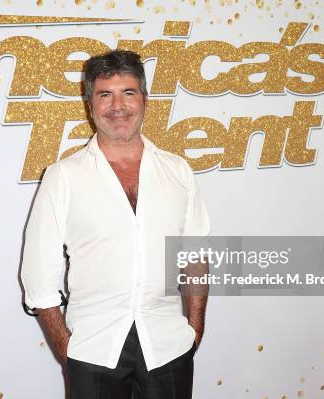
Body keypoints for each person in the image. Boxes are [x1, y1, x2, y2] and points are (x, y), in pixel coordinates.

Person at [20, 49, 210, 398]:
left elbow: (195, 255)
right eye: (105, 94)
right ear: (90, 104)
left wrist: (194, 328)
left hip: (169, 346)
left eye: (128, 92)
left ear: (145, 100)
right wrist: (66, 347)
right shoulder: (63, 176)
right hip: (93, 351)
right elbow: (38, 273)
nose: (117, 106)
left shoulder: (178, 171)